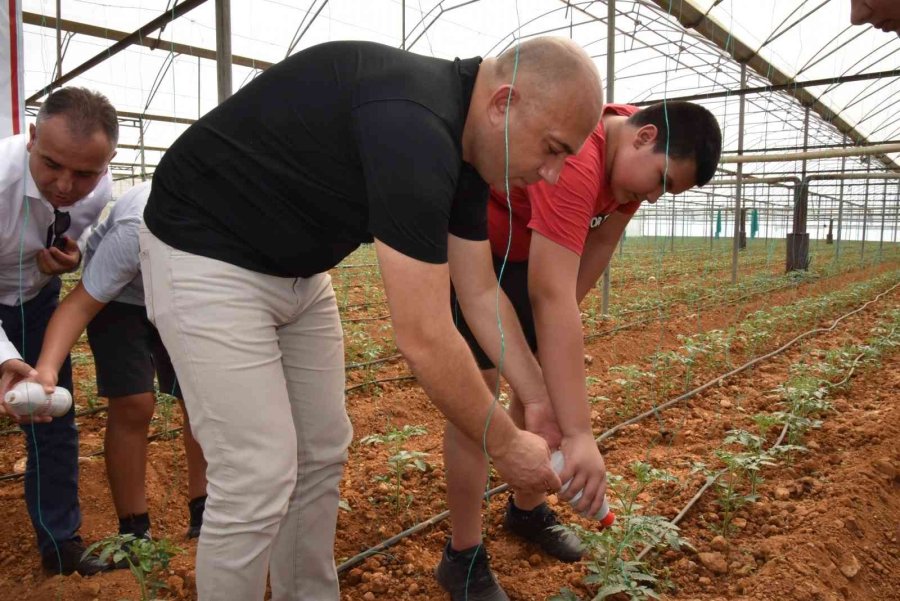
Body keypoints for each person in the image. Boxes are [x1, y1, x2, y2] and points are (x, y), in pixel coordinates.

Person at [140, 37, 602, 600]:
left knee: (321, 451)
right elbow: (426, 336)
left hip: (298, 275)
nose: (553, 174)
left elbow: (479, 291)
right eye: (552, 149)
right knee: (257, 472)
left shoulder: (468, 147)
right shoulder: (413, 125)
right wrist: (505, 446)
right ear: (503, 102)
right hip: (204, 252)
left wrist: (538, 399)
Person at [441, 101, 722, 600]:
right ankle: (462, 556)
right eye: (661, 180)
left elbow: (580, 272)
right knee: (477, 401)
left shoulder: (628, 178)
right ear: (643, 136)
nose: (655, 197)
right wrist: (578, 434)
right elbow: (551, 295)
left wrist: (548, 352)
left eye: (668, 191)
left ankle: (526, 510)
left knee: (539, 387)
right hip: (481, 252)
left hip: (532, 257)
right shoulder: (580, 162)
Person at [32, 182, 208, 556]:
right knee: (133, 404)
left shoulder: (229, 233)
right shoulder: (137, 230)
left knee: (200, 397)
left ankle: (205, 510)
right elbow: (79, 305)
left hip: (183, 297)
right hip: (118, 301)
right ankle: (134, 529)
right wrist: (46, 370)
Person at [0, 86, 118, 575]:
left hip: (37, 299)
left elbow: (77, 236)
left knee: (50, 413)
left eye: (85, 173)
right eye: (51, 165)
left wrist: (70, 259)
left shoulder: (102, 188)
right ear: (30, 139)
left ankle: (59, 543)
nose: (66, 185)